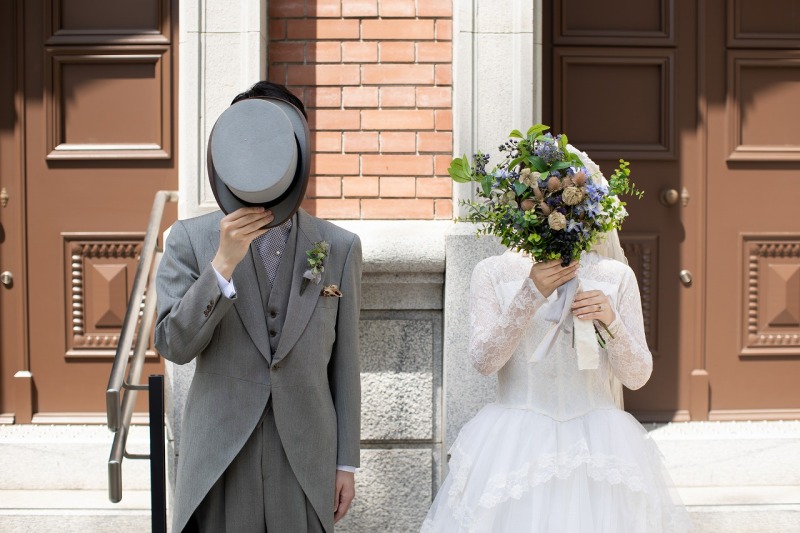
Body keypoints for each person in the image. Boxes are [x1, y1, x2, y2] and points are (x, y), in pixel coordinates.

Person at [421, 160, 690, 531]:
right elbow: (484, 361)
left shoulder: (615, 276)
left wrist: (611, 321)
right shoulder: (493, 273)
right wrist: (529, 294)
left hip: (600, 447)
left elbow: (637, 376)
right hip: (515, 445)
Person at [155, 81, 362, 533]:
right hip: (220, 455)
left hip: (306, 454)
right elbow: (173, 344)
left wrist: (346, 463)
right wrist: (222, 266)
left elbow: (345, 364)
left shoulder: (339, 247)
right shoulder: (188, 240)